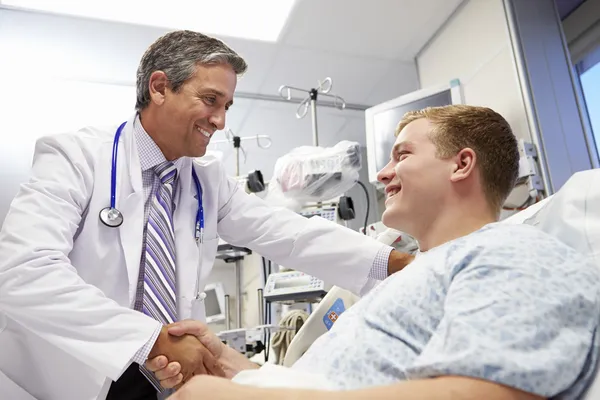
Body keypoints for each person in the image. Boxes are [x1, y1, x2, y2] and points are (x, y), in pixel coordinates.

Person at [0, 30, 412, 400]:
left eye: (227, 105)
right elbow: (23, 271)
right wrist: (149, 338)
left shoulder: (206, 180)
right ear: (160, 87)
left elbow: (288, 234)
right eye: (211, 100)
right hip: (67, 377)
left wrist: (397, 264)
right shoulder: (75, 157)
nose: (220, 120)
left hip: (162, 378)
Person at [149, 105, 600, 400]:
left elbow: (482, 392)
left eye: (401, 155)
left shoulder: (513, 249)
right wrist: (231, 367)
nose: (382, 174)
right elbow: (331, 382)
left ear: (462, 164)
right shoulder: (414, 283)